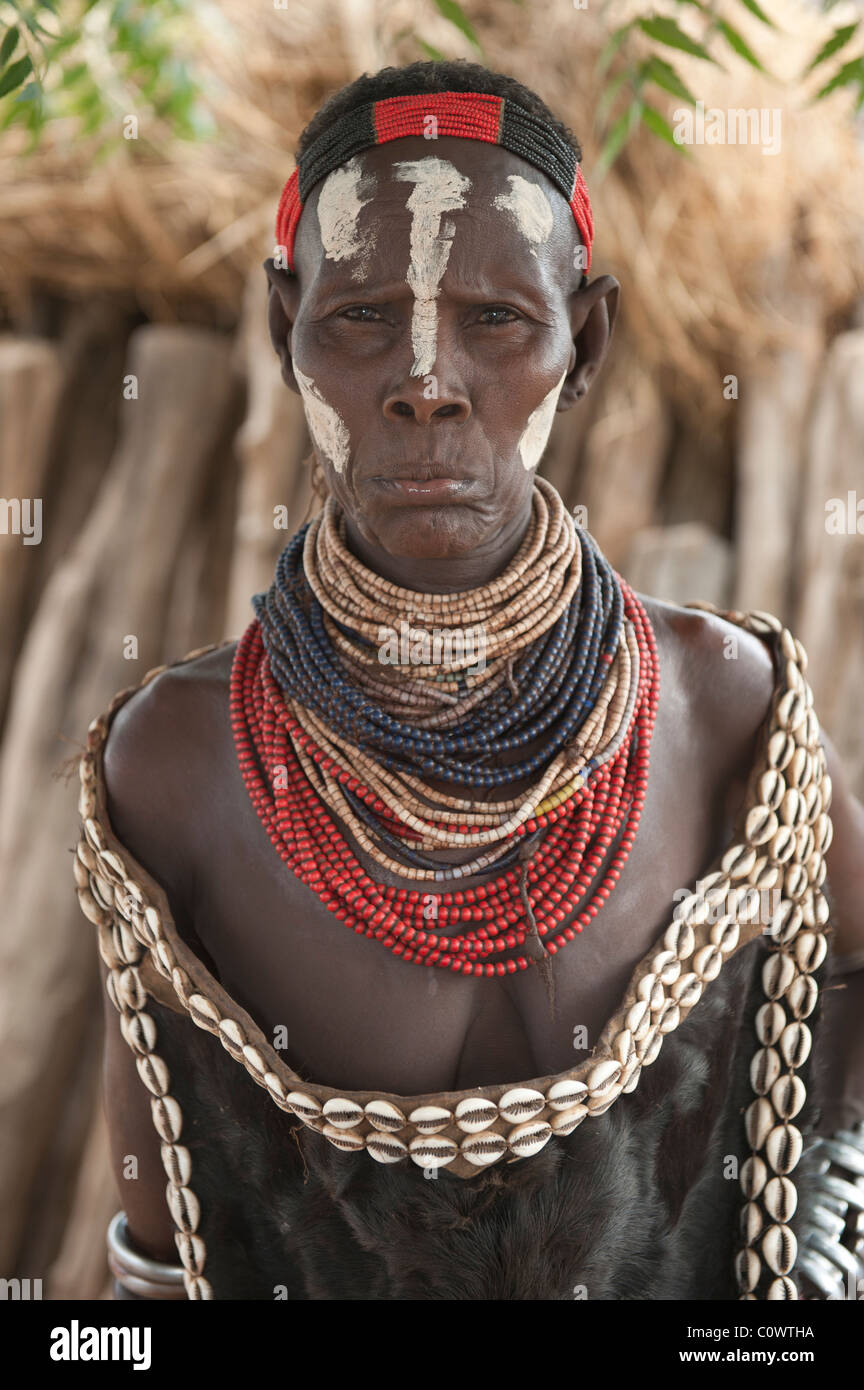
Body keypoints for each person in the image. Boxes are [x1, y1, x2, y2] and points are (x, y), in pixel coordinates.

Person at [75, 60, 864, 1302]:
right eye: (360, 317)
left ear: (585, 339)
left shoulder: (725, 704)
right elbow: (158, 1256)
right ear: (285, 332)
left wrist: (817, 1245)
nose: (428, 382)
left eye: (497, 319)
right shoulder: (175, 765)